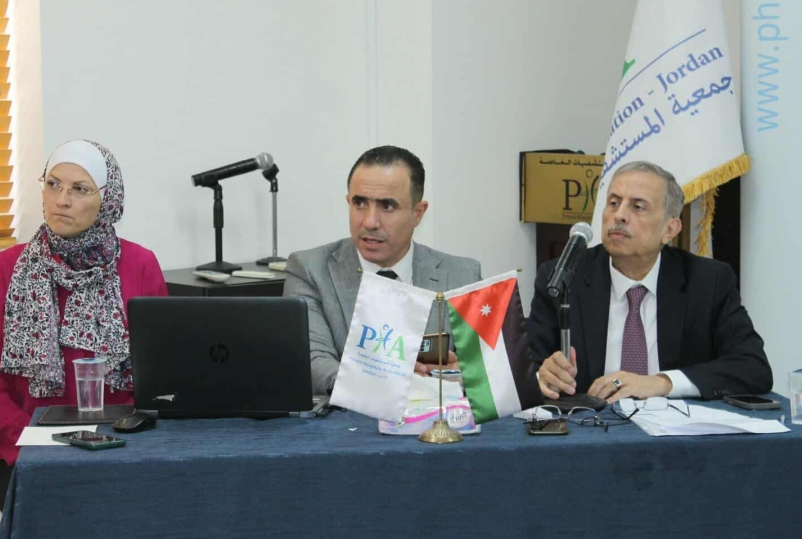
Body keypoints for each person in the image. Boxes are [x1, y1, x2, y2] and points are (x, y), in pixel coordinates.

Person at [0, 139, 167, 510]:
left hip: (121, 444)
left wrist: (126, 441)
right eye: (53, 184)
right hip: (28, 448)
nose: (61, 200)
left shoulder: (140, 265)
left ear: (107, 200)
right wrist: (36, 444)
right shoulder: (4, 270)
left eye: (79, 189)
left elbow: (161, 374)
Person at [528, 160, 772, 404]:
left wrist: (661, 383)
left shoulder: (707, 281)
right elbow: (526, 370)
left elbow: (753, 367)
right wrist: (543, 377)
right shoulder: (563, 279)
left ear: (670, 229)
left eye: (638, 207)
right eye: (613, 203)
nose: (619, 215)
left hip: (676, 426)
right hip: (590, 424)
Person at [283, 145, 482, 395]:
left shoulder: (463, 276)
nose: (369, 222)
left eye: (387, 206)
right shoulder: (310, 269)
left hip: (435, 416)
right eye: (359, 203)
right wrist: (393, 382)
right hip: (349, 418)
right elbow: (314, 364)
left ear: (418, 213)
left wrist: (462, 376)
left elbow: (486, 372)